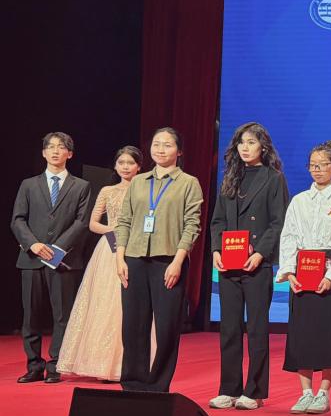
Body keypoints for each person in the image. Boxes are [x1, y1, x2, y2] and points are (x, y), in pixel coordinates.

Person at [115, 127, 203, 392]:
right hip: (134, 258)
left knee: (166, 327)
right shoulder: (139, 182)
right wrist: (120, 257)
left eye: (167, 145)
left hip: (169, 261)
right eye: (156, 144)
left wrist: (178, 261)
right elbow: (124, 221)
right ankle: (133, 382)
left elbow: (192, 225)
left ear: (179, 151)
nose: (160, 149)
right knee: (133, 325)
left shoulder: (189, 182)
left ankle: (158, 384)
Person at [208, 122, 289, 410]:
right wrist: (216, 249)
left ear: (263, 147)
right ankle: (228, 388)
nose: (245, 147)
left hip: (257, 265)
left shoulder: (273, 178)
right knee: (229, 328)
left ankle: (254, 391)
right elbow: (218, 220)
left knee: (256, 328)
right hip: (229, 264)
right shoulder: (230, 177)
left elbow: (278, 222)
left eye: (251, 142)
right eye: (241, 142)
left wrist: (261, 253)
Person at [276, 140, 331, 415]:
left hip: (329, 272)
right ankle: (305, 392)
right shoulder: (299, 200)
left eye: (323, 165)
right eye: (313, 165)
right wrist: (289, 271)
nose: (317, 170)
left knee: (328, 334)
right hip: (303, 272)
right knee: (301, 333)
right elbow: (288, 237)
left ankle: (324, 392)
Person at [57, 146, 144, 381]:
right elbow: (93, 223)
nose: (125, 167)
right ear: (115, 166)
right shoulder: (107, 191)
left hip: (136, 248)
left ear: (139, 166)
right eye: (121, 162)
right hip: (109, 249)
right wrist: (113, 230)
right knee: (105, 303)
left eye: (130, 163)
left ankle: (128, 364)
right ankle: (103, 366)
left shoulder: (145, 190)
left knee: (130, 305)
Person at [10, 132, 91, 383]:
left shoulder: (81, 186)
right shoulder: (28, 184)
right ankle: (34, 365)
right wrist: (33, 244)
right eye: (51, 147)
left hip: (64, 260)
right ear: (43, 152)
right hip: (31, 258)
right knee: (31, 315)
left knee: (62, 315)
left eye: (61, 147)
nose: (56, 151)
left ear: (70, 154)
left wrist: (57, 248)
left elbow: (82, 222)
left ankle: (56, 365)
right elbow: (18, 219)